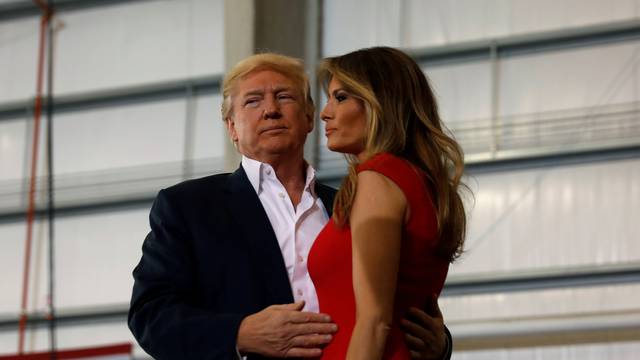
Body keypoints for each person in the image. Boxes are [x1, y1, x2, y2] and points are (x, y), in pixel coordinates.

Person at [128, 52, 452, 359]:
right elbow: (150, 316)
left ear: (311, 116)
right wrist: (240, 333)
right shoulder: (188, 207)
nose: (270, 110)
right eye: (253, 101)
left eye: (284, 97)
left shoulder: (354, 201)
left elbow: (394, 301)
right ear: (231, 128)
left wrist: (440, 345)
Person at [307, 47, 467, 359]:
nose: (325, 112)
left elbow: (374, 322)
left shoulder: (377, 178)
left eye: (340, 98)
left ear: (380, 104)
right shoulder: (423, 184)